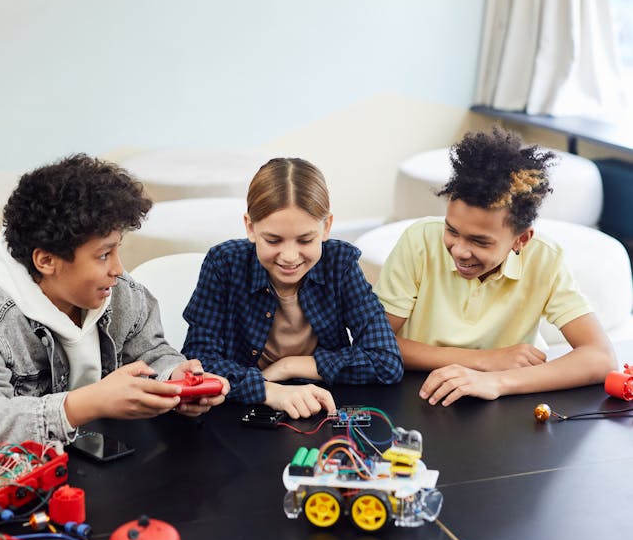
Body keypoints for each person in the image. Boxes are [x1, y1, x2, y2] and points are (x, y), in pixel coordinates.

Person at [0, 154, 228, 450]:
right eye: (103, 255)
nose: (117, 269)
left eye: (117, 250)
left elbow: (152, 352)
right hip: (20, 484)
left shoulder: (121, 293)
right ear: (47, 260)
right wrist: (89, 402)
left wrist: (175, 378)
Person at [375, 128, 617, 407]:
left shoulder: (544, 259)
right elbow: (376, 344)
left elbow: (601, 357)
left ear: (521, 239)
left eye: (480, 241)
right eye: (452, 230)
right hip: (417, 393)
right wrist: (485, 361)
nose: (460, 250)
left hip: (502, 400)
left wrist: (496, 381)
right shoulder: (418, 241)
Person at [182, 157, 403, 418]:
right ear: (250, 228)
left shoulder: (340, 264)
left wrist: (290, 366)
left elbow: (386, 360)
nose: (289, 256)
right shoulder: (224, 263)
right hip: (243, 412)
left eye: (305, 240)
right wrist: (265, 389)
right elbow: (198, 360)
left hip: (320, 406)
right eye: (273, 240)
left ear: (326, 227)